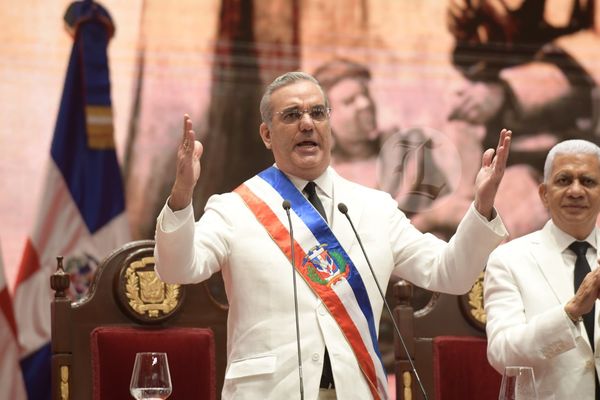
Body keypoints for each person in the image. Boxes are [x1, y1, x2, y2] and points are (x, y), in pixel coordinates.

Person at [154, 71, 511, 399]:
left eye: (317, 113)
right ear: (266, 134)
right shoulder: (236, 208)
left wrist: (481, 206)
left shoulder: (375, 208)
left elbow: (451, 273)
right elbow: (177, 269)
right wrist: (182, 196)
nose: (307, 124)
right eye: (291, 115)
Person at [484, 139, 600, 399]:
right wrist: (570, 313)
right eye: (563, 180)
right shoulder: (509, 259)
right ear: (544, 194)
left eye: (588, 181)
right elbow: (502, 354)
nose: (576, 191)